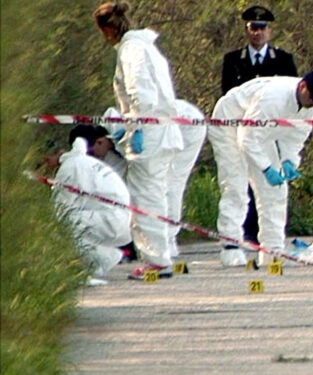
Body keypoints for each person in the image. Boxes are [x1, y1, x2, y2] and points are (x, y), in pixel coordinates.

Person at [94, 1, 185, 280]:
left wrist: (135, 126)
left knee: (145, 196)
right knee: (159, 192)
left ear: (108, 29)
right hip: (162, 129)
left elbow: (139, 91)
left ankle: (157, 261)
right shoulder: (145, 46)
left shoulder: (131, 50)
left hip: (150, 130)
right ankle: (164, 252)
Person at [211, 70, 313, 266]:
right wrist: (266, 168)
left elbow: (295, 137)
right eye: (312, 97)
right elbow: (247, 138)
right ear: (303, 86)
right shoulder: (274, 98)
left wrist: (289, 161)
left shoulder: (309, 105)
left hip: (260, 132)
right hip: (230, 123)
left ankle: (273, 250)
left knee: (276, 190)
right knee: (236, 183)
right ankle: (230, 246)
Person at [216, 5, 298, 245]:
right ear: (247, 29)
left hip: (268, 132)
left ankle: (267, 239)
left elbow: (291, 98)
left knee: (270, 187)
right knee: (238, 183)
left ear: (269, 31)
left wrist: (289, 153)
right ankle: (239, 237)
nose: (257, 33)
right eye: (253, 27)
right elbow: (227, 93)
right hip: (237, 127)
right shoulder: (233, 60)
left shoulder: (283, 60)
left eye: (262, 28)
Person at [53, 136, 132, 284]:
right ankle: (104, 257)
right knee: (74, 220)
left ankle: (89, 267)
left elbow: (61, 208)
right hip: (119, 218)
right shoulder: (83, 162)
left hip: (111, 219)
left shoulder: (68, 169)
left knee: (65, 221)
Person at [166, 100, 206, 259]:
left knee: (172, 183)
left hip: (187, 126)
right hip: (183, 120)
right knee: (168, 183)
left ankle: (167, 239)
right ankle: (166, 239)